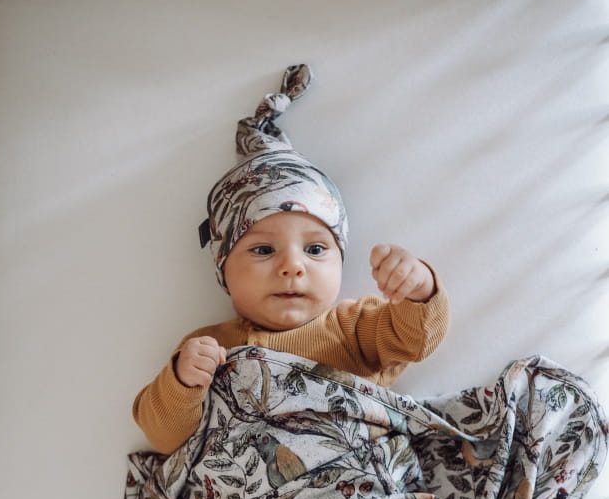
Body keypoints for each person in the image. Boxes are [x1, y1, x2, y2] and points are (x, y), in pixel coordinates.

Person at [133, 64, 449, 455]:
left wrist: (418, 289)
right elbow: (164, 437)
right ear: (223, 268)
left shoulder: (353, 328)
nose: (292, 267)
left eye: (315, 250)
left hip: (354, 474)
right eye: (263, 250)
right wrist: (182, 382)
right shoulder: (213, 346)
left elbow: (415, 340)